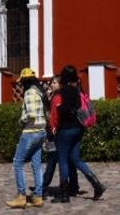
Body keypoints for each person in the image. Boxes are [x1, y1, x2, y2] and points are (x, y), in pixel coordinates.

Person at [48, 65, 105, 202]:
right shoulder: (76, 91)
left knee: (63, 161)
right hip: (77, 129)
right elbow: (77, 108)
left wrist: (59, 107)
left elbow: (66, 111)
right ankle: (96, 184)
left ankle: (64, 194)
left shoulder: (64, 92)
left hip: (65, 130)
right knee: (76, 159)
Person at [6, 68, 47, 209]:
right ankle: (38, 197)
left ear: (25, 81)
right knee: (36, 164)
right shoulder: (40, 92)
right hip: (41, 131)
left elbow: (30, 114)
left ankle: (21, 196)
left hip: (30, 131)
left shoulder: (29, 93)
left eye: (21, 82)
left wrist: (20, 121)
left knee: (18, 162)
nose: (20, 85)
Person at [39, 78, 80, 197]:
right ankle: (73, 186)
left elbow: (55, 116)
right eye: (51, 82)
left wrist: (52, 131)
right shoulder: (55, 96)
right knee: (67, 160)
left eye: (54, 82)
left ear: (60, 84)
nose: (52, 84)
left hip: (57, 132)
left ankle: (44, 186)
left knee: (53, 159)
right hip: (60, 131)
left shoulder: (59, 97)